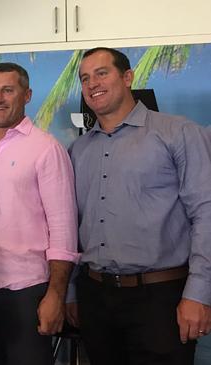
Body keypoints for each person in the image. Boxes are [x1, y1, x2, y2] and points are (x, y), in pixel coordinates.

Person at [68, 47, 211, 364]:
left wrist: (199, 293)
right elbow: (72, 227)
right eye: (85, 78)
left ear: (128, 77)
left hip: (161, 297)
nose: (92, 84)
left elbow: (206, 212)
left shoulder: (178, 133)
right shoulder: (78, 150)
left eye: (102, 73)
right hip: (95, 298)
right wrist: (72, 294)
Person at [0, 63, 79, 365]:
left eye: (8, 90)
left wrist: (56, 295)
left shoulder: (46, 148)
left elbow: (64, 229)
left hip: (27, 290)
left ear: (26, 95)